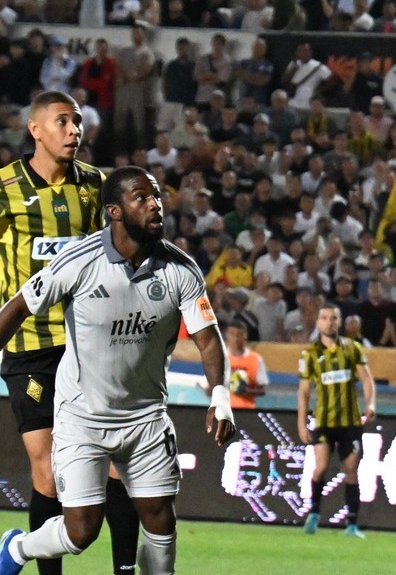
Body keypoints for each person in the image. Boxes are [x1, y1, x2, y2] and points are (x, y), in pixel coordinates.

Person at [0, 166, 237, 575]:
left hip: (145, 417)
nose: (155, 205)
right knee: (81, 532)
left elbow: (208, 338)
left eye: (157, 196)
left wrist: (220, 397)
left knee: (160, 517)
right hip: (82, 416)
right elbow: (19, 307)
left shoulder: (181, 269)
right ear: (114, 211)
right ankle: (18, 548)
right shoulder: (77, 261)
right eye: (141, 198)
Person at [0, 91, 141, 575]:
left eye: (78, 122)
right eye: (62, 121)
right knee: (51, 471)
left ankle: (125, 569)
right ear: (34, 129)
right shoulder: (4, 188)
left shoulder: (99, 187)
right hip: (29, 347)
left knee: (118, 463)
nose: (74, 130)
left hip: (92, 346)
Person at [297, 305, 376, 538]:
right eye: (324, 318)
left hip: (350, 422)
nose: (329, 322)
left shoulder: (352, 349)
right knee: (320, 468)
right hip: (323, 420)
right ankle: (314, 511)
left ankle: (352, 524)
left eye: (333, 318)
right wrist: (301, 424)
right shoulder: (309, 354)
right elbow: (303, 392)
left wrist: (370, 404)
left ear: (339, 322)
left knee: (351, 470)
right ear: (318, 323)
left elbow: (367, 379)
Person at [225, 320, 268, 410]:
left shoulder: (256, 359)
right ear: (227, 335)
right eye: (232, 334)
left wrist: (246, 390)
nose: (236, 338)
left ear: (245, 335)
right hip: (224, 410)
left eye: (239, 334)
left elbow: (262, 390)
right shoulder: (220, 358)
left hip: (247, 411)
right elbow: (210, 387)